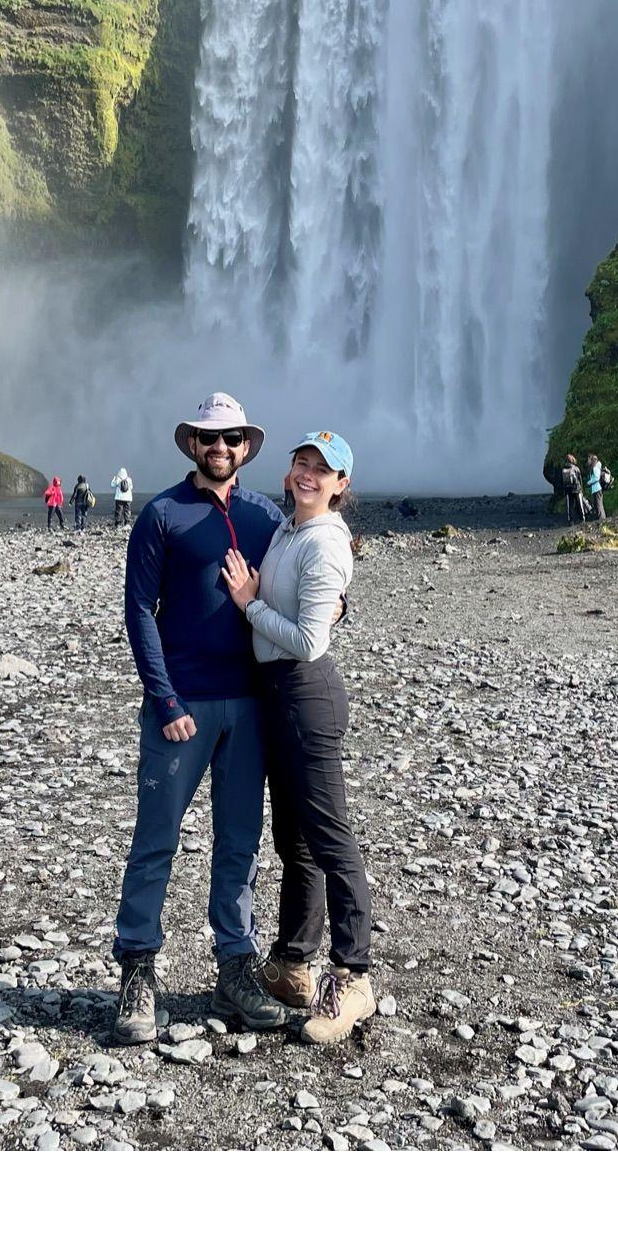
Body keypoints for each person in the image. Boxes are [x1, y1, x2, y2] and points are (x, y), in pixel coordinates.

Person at [109, 393, 294, 1042]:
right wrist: (164, 700)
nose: (221, 448)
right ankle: (136, 969)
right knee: (156, 837)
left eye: (232, 439)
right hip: (180, 707)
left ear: (245, 446)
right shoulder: (160, 514)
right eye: (210, 439)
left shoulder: (265, 515)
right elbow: (138, 611)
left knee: (239, 841)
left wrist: (334, 597)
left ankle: (235, 965)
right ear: (192, 444)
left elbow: (298, 587)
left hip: (248, 705)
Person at [224, 430, 376, 1046]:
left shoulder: (324, 542)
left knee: (329, 836)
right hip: (278, 696)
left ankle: (355, 974)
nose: (308, 474)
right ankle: (292, 964)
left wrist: (248, 605)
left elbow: (311, 638)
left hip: (306, 694)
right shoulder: (289, 530)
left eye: (323, 469)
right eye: (302, 463)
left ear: (341, 486)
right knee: (296, 841)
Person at [557, 452, 587, 526]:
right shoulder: (576, 468)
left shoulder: (563, 469)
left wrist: (564, 490)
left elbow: (561, 481)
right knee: (580, 504)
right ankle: (582, 519)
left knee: (570, 505)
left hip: (568, 490)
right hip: (577, 489)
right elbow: (580, 479)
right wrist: (582, 489)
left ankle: (571, 521)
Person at [586, 452, 608, 526]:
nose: (587, 461)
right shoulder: (595, 467)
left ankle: (602, 520)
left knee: (599, 505)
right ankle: (601, 519)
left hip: (597, 488)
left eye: (589, 459)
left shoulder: (595, 468)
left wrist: (589, 482)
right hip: (595, 489)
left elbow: (596, 478)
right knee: (597, 505)